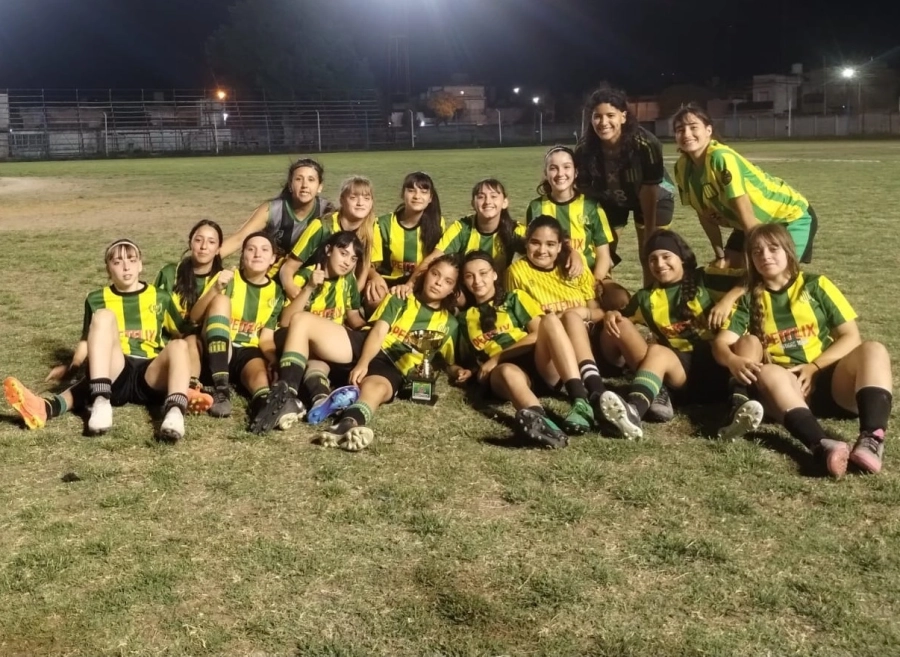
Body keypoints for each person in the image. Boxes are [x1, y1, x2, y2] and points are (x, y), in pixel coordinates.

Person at [713, 224, 890, 478]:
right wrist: (732, 360)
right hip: (789, 391)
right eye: (757, 251)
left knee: (873, 349)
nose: (765, 256)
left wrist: (815, 367)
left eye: (773, 248)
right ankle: (822, 445)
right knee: (768, 372)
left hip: (831, 382)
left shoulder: (816, 285)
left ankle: (872, 438)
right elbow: (721, 343)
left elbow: (851, 337)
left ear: (788, 251)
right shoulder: (750, 299)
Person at [4, 239, 210, 441]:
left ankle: (175, 413)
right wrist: (72, 367)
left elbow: (184, 334)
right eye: (117, 262)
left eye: (131, 259)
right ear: (108, 269)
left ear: (140, 265)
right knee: (104, 317)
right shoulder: (96, 299)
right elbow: (87, 341)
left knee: (180, 345)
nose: (126, 266)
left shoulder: (160, 297)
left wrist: (195, 373)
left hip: (150, 374)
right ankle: (100, 403)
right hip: (115, 372)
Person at [257, 255, 468, 451]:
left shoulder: (450, 323)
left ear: (453, 290)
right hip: (363, 345)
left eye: (448, 281)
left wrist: (458, 371)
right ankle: (287, 395)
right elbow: (378, 331)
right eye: (436, 274)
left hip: (391, 367)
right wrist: (363, 362)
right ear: (426, 273)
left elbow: (447, 360)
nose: (439, 282)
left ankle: (347, 424)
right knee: (301, 320)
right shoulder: (401, 296)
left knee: (376, 388)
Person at [597, 230, 739, 439]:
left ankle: (740, 400)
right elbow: (623, 321)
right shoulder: (646, 297)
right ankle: (633, 411)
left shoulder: (705, 279)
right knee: (654, 348)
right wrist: (612, 314)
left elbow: (751, 279)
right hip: (683, 377)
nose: (659, 264)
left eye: (666, 256)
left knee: (658, 350)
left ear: (682, 258)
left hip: (721, 366)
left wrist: (728, 300)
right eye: (653, 259)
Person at [460, 251, 596, 447]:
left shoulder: (514, 298)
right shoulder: (464, 318)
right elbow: (464, 359)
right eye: (469, 276)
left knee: (550, 320)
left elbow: (537, 333)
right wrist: (463, 371)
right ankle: (542, 424)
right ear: (464, 281)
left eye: (483, 273)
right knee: (506, 371)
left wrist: (498, 356)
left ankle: (580, 401)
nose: (477, 281)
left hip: (537, 360)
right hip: (505, 373)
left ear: (495, 274)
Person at [672, 104, 818, 269]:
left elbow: (742, 206)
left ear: (708, 130)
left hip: (788, 218)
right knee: (722, 269)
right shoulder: (682, 168)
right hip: (748, 224)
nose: (687, 134)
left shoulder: (721, 157)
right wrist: (720, 255)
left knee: (772, 275)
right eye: (680, 129)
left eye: (693, 127)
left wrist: (757, 257)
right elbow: (703, 215)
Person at [505, 215, 613, 424]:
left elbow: (597, 311)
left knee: (578, 318)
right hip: (552, 357)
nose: (542, 250)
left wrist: (582, 314)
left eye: (550, 244)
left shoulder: (574, 267)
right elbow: (535, 327)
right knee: (553, 320)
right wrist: (570, 315)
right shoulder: (517, 273)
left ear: (560, 246)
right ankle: (583, 397)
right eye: (535, 242)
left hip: (588, 347)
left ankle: (599, 393)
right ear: (526, 242)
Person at [574, 85, 676, 278]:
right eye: (597, 116)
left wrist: (650, 232)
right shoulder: (585, 148)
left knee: (651, 251)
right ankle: (602, 295)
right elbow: (585, 190)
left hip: (654, 197)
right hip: (612, 199)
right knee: (603, 253)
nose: (603, 122)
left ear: (623, 116)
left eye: (610, 115)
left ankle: (652, 297)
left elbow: (649, 189)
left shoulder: (646, 143)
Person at [197, 232, 288, 434]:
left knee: (259, 372)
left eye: (265, 250)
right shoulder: (228, 278)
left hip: (247, 349)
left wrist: (273, 359)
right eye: (251, 249)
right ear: (242, 255)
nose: (257, 254)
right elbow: (195, 317)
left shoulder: (276, 292)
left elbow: (265, 337)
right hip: (217, 344)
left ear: (273, 259)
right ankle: (221, 390)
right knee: (221, 301)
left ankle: (263, 407)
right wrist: (216, 289)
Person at [276, 231, 367, 425]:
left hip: (330, 346)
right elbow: (285, 321)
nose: (347, 262)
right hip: (306, 347)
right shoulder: (305, 275)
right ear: (328, 250)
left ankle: (302, 396)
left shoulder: (348, 281)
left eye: (353, 258)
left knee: (317, 355)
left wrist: (371, 329)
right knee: (307, 339)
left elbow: (353, 317)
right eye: (343, 253)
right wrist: (309, 288)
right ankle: (316, 398)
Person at [525, 145, 628, 309]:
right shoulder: (537, 207)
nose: (560, 174)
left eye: (566, 167)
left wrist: (596, 282)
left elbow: (603, 255)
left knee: (619, 299)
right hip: (553, 277)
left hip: (593, 275)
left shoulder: (591, 206)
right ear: (546, 173)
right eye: (553, 168)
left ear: (576, 172)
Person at [397, 178, 525, 297]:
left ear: (505, 202)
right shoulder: (462, 228)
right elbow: (433, 258)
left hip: (499, 290)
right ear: (473, 203)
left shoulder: (514, 230)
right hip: (466, 290)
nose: (487, 202)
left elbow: (539, 253)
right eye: (481, 197)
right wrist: (409, 285)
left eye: (493, 196)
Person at [219, 158, 335, 268]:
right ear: (290, 185)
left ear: (320, 187)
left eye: (311, 180)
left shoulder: (327, 211)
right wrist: (209, 261)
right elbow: (239, 238)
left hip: (307, 274)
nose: (304, 185)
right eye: (299, 179)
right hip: (269, 272)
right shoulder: (272, 209)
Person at [154, 219, 225, 390]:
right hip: (169, 342)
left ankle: (191, 387)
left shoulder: (222, 280)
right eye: (198, 240)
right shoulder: (170, 273)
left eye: (211, 242)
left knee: (192, 339)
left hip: (206, 347)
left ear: (218, 250)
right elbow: (153, 310)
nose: (203, 246)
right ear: (190, 243)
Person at [279, 175, 376, 299]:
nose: (360, 203)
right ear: (342, 200)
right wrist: (293, 291)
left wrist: (351, 299)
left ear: (372, 202)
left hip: (338, 290)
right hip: (310, 285)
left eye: (367, 198)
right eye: (353, 197)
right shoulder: (322, 226)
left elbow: (364, 268)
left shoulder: (371, 228)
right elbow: (288, 267)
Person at [365, 171, 445, 309]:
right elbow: (370, 263)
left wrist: (411, 285)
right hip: (388, 280)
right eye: (411, 190)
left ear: (430, 198)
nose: (417, 196)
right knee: (375, 299)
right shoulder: (382, 224)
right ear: (403, 194)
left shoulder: (437, 224)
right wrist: (374, 277)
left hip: (421, 281)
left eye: (423, 192)